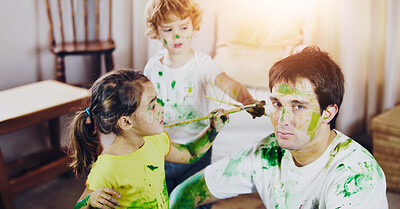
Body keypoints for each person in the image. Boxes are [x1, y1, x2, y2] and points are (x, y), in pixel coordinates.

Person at [169, 46, 388, 209]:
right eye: (277, 104)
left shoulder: (356, 178)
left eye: (298, 106)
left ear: (328, 113)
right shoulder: (266, 155)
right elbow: (184, 193)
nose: (282, 119)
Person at [143, 0, 265, 208]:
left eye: (183, 27)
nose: (177, 35)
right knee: (163, 201)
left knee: (196, 200)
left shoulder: (202, 64)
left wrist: (247, 100)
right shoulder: (152, 68)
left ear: (194, 26)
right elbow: (143, 106)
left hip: (198, 148)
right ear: (156, 31)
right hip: (164, 150)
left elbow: (228, 83)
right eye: (168, 29)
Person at [69, 69, 228, 209]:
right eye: (152, 106)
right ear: (126, 121)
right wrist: (90, 201)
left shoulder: (155, 140)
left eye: (157, 100)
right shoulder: (108, 166)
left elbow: (190, 153)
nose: (161, 107)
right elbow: (80, 205)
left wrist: (213, 129)